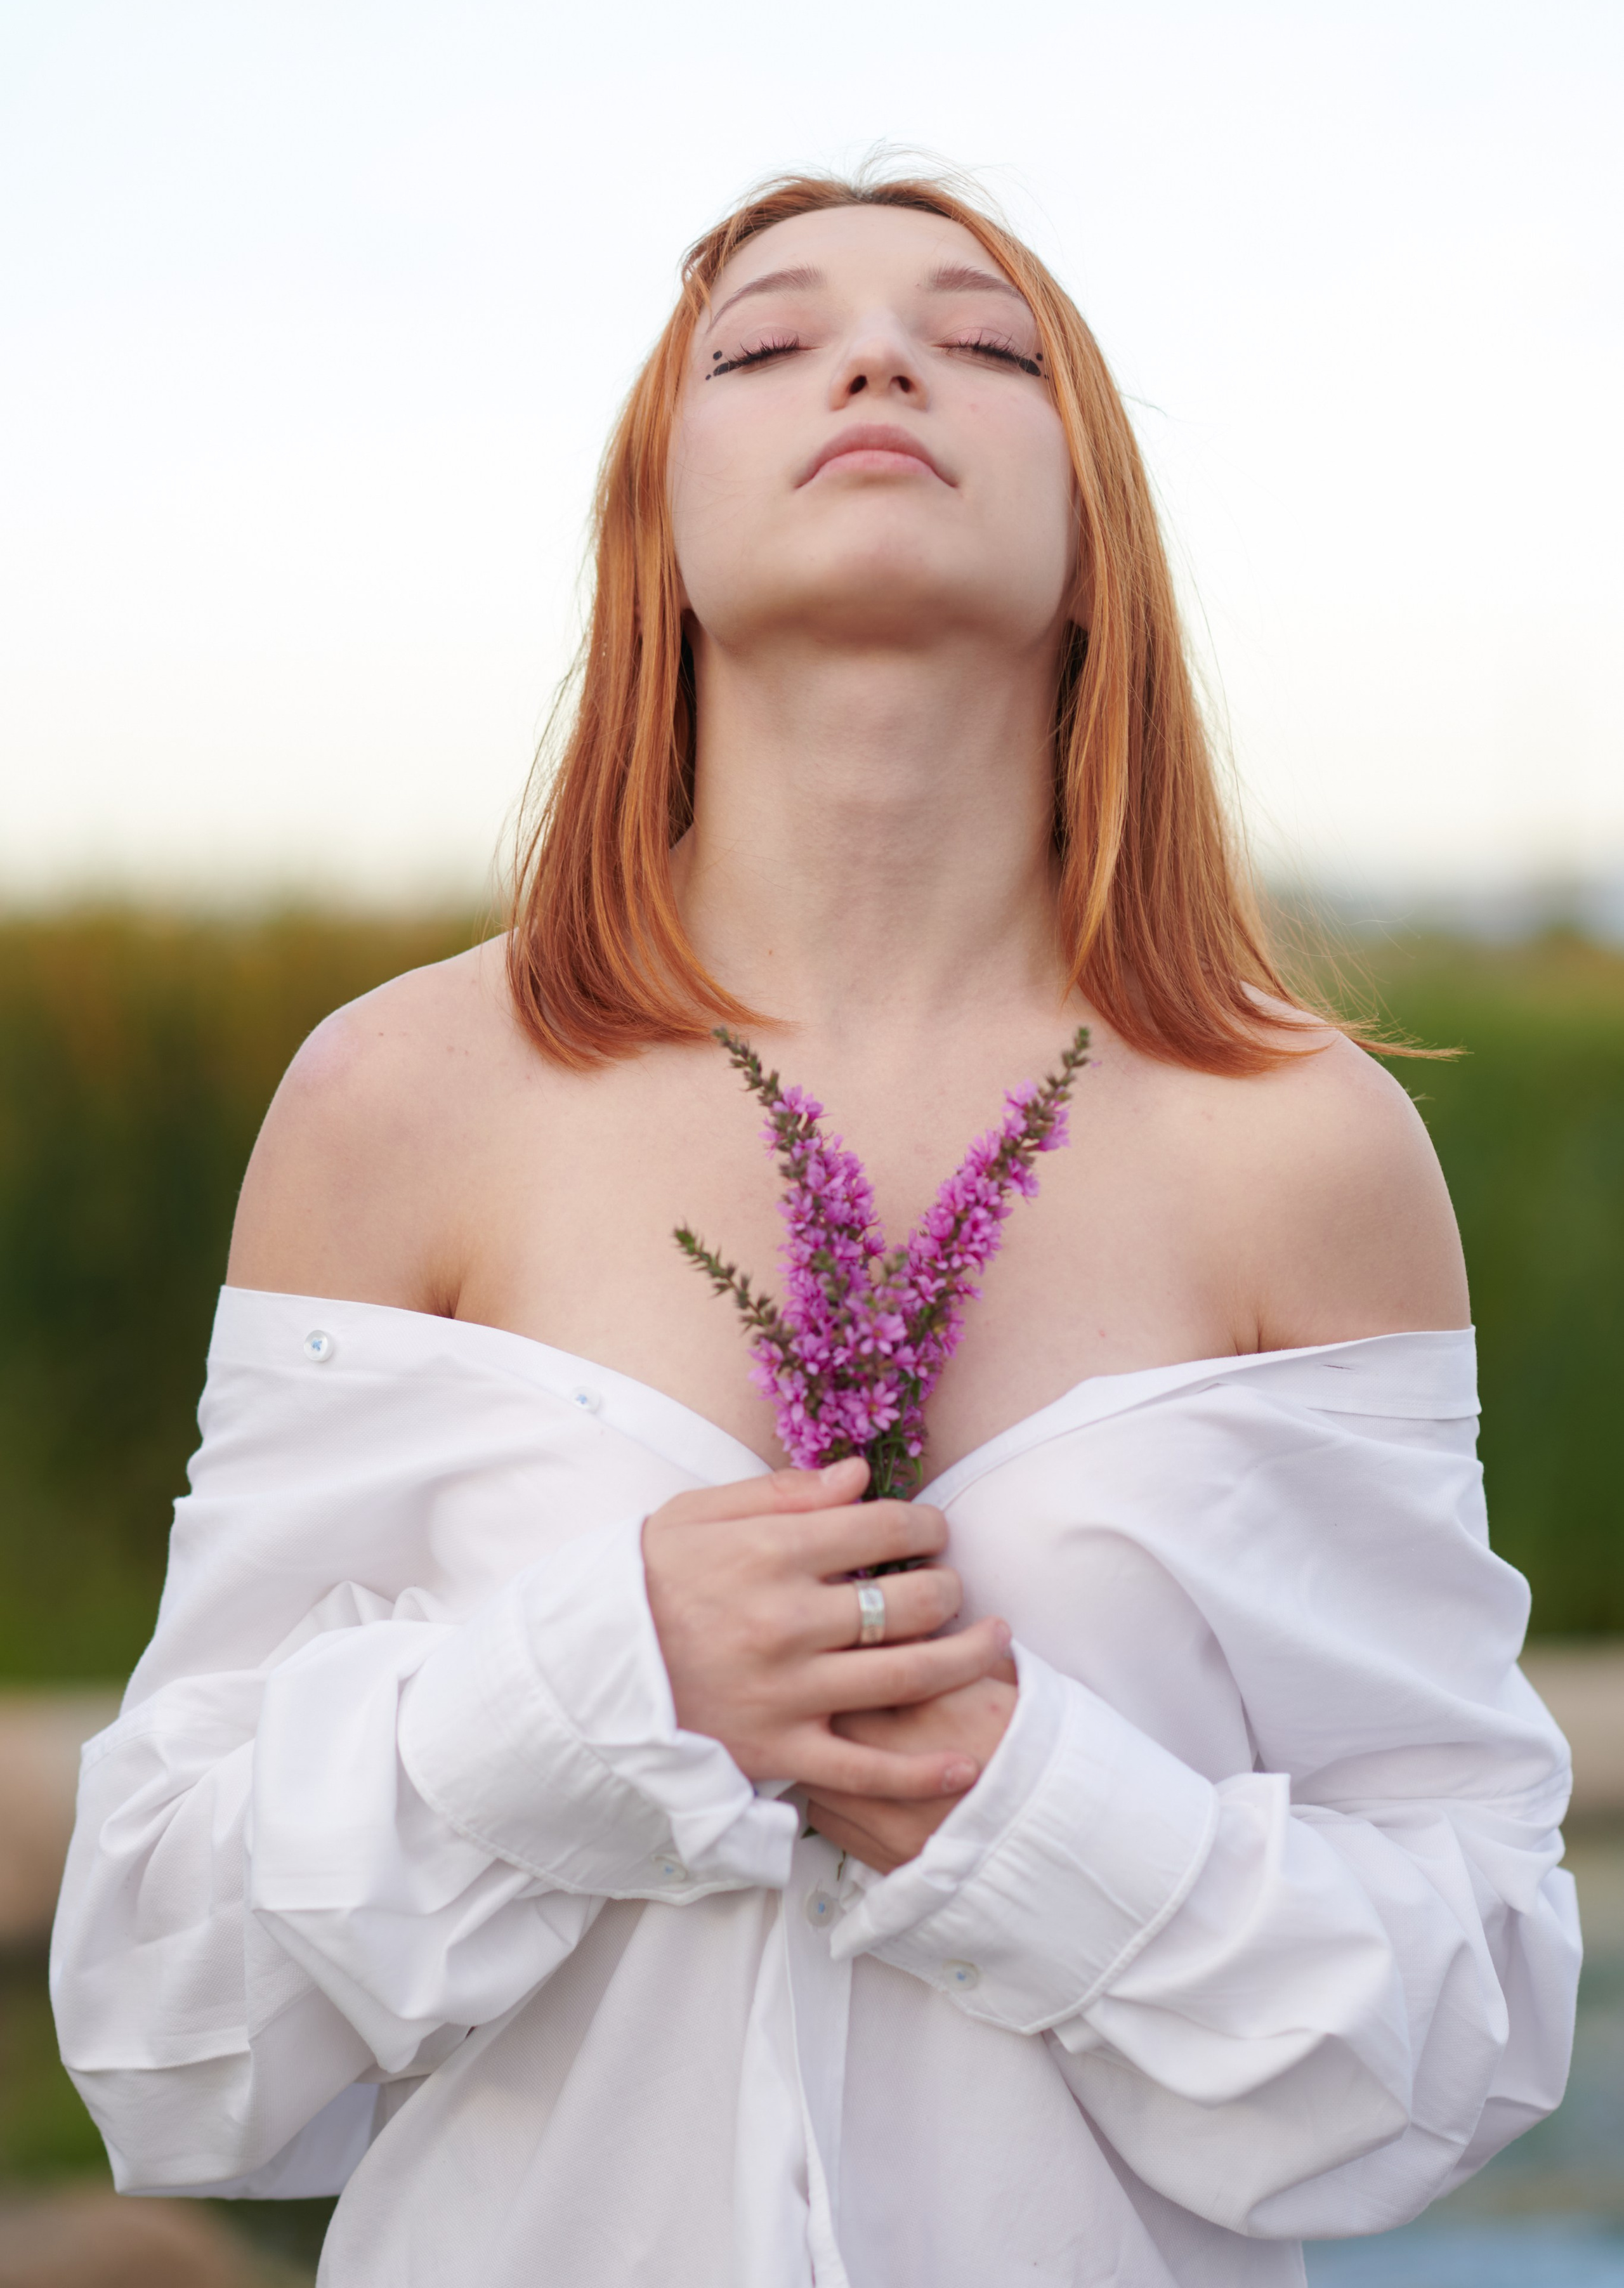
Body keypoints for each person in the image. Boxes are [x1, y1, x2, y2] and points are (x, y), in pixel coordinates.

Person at [51, 169, 1580, 2288]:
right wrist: (604, 1694)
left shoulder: (1299, 1142)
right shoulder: (397, 1101)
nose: (876, 361)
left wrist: (1030, 1824)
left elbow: (1467, 2027)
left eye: (987, 342)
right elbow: (167, 2015)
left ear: (1090, 547)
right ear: (654, 537)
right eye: (766, 345)